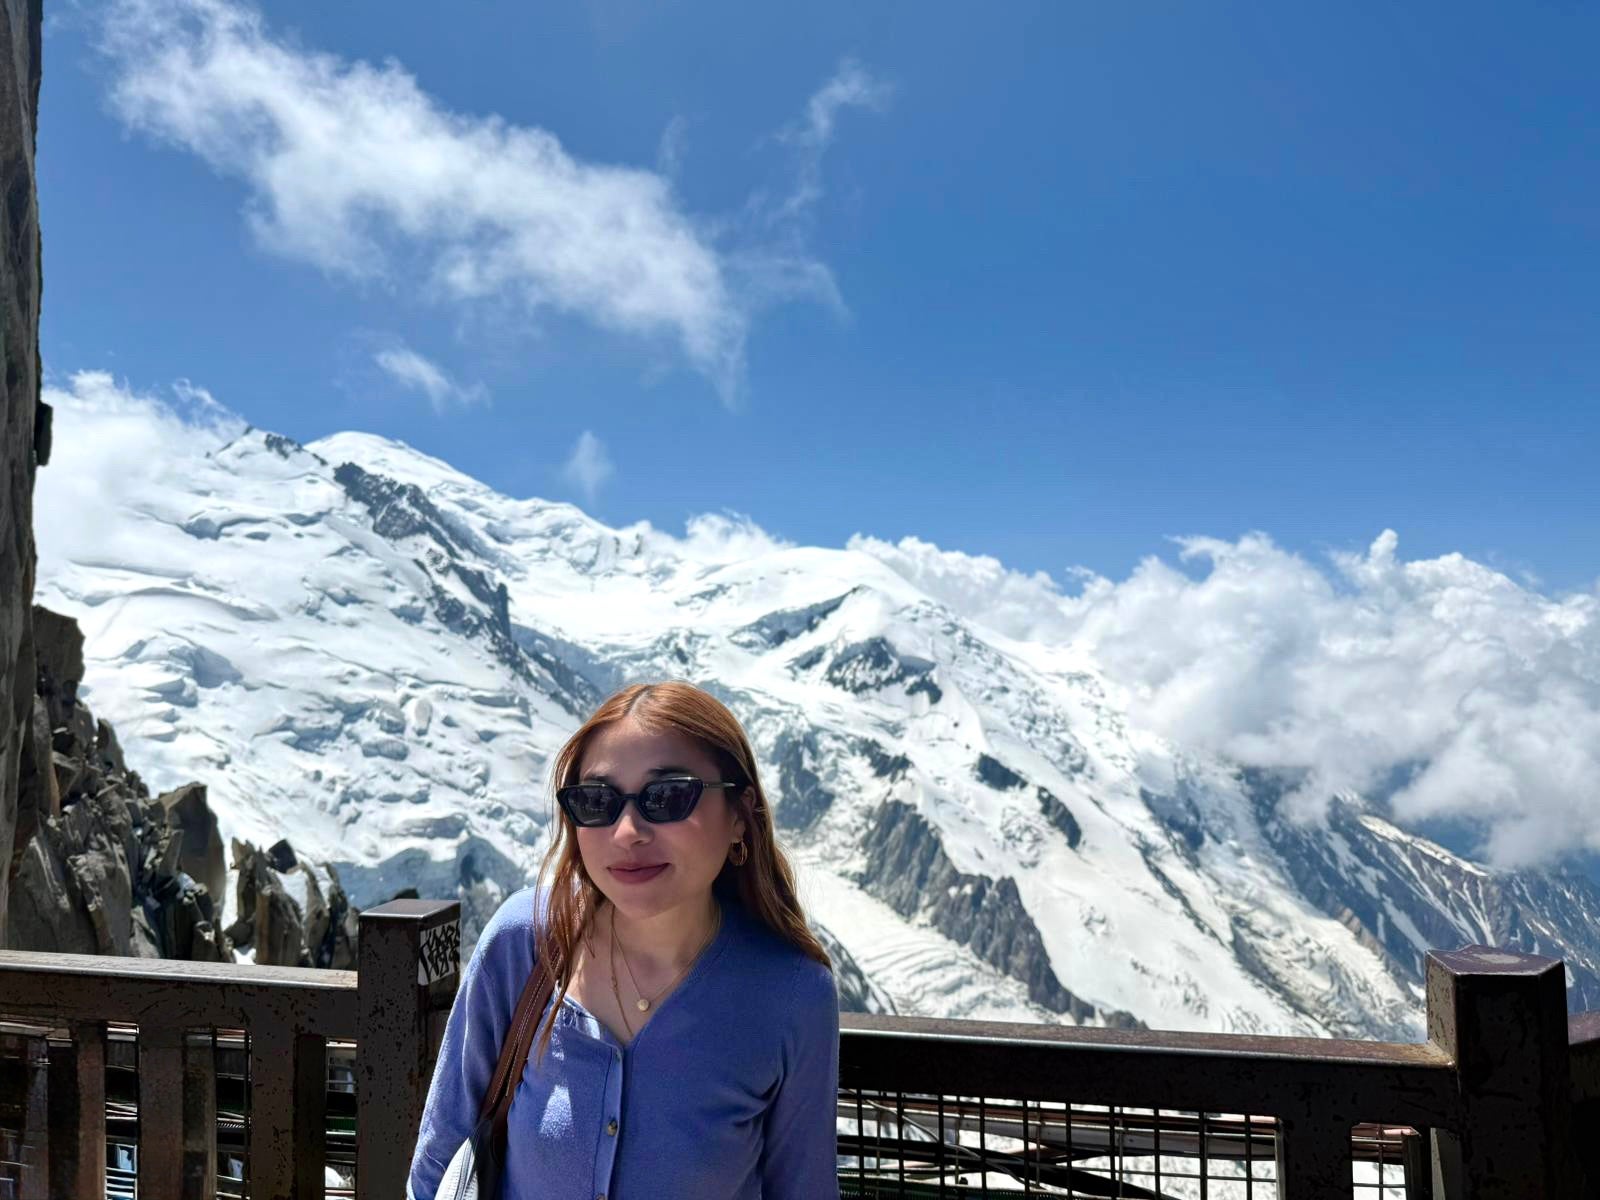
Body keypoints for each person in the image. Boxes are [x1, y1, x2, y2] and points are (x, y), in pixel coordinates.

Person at [408, 681, 842, 1199]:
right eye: (597, 801)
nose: (628, 830)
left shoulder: (792, 995)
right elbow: (439, 1163)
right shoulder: (523, 941)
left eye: (667, 797)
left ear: (739, 817)